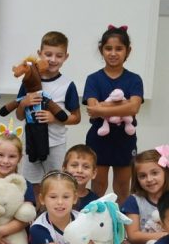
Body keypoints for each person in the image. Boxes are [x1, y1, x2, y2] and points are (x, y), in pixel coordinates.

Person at [15, 31, 81, 199]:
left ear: (66, 57)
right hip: (32, 143)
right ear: (39, 53)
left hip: (56, 144)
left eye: (59, 55)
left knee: (56, 183)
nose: (53, 59)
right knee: (32, 184)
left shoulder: (67, 85)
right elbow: (19, 116)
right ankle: (37, 212)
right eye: (48, 54)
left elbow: (76, 118)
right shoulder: (29, 80)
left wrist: (55, 118)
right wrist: (23, 103)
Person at [83, 25, 143, 205]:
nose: (113, 53)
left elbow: (134, 108)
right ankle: (97, 220)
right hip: (98, 140)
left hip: (125, 139)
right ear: (101, 50)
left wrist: (102, 107)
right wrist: (123, 105)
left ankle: (122, 221)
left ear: (128, 51)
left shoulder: (134, 79)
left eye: (119, 48)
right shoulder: (93, 79)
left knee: (123, 188)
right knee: (98, 186)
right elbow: (92, 109)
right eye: (108, 48)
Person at [122, 148, 169, 244]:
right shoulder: (133, 201)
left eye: (154, 173)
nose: (149, 179)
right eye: (142, 176)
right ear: (137, 179)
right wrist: (164, 236)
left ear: (165, 172)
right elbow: (133, 236)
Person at [62, 144, 98, 211]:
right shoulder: (55, 196)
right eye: (74, 165)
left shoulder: (95, 202)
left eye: (86, 167)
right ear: (64, 170)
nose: (79, 170)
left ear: (93, 173)